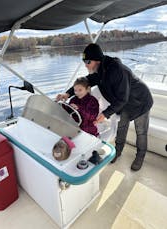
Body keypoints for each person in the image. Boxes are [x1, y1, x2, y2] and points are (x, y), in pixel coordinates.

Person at [56, 43, 153, 171]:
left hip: (140, 101)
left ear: (97, 60)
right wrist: (68, 93)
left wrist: (105, 114)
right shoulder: (99, 70)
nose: (85, 64)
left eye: (87, 61)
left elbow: (122, 98)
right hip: (124, 105)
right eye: (84, 61)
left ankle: (140, 157)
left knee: (140, 132)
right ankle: (117, 152)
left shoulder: (118, 71)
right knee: (121, 128)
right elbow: (86, 81)